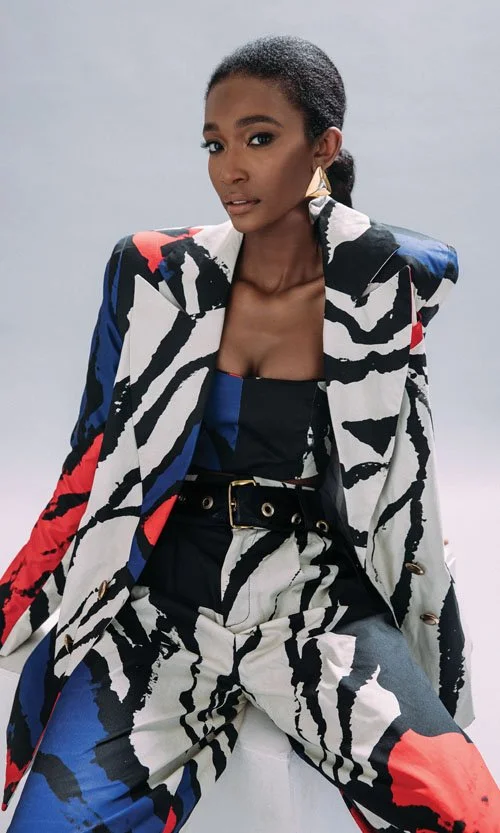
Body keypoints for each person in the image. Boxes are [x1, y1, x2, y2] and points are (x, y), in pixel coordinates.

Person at [1, 34, 499, 833]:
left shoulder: (388, 281)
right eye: (215, 144)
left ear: (323, 146)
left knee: (468, 814)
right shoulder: (153, 272)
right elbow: (91, 456)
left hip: (317, 600)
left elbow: (405, 447)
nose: (230, 168)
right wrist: (21, 600)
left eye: (259, 139)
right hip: (167, 601)